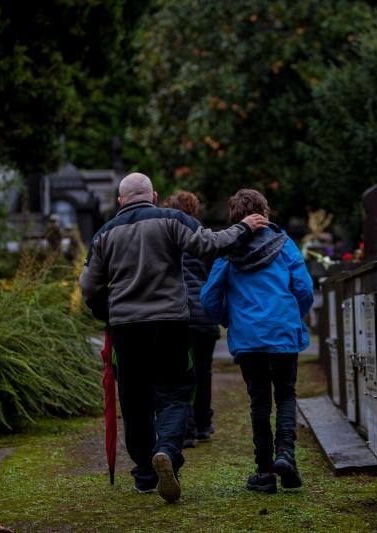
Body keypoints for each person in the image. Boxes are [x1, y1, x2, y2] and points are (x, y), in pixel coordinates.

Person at [79, 174, 268, 503]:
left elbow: (89, 286)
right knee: (176, 393)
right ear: (153, 196)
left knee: (135, 401)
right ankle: (166, 449)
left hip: (126, 327)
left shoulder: (104, 234)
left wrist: (106, 313)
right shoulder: (171, 219)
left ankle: (144, 474)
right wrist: (243, 227)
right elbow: (209, 244)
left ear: (121, 200)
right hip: (170, 324)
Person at [200, 189, 314, 494]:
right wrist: (293, 316)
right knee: (286, 394)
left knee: (259, 401)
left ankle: (264, 472)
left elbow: (209, 297)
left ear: (235, 218)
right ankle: (285, 455)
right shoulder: (284, 244)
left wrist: (230, 320)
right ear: (265, 212)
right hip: (283, 332)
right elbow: (304, 289)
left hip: (248, 337)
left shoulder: (228, 253)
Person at [162, 191, 220, 448]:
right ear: (195, 211)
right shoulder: (204, 239)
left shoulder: (166, 239)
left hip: (177, 314)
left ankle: (186, 429)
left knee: (179, 372)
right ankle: (203, 423)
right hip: (204, 315)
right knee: (203, 371)